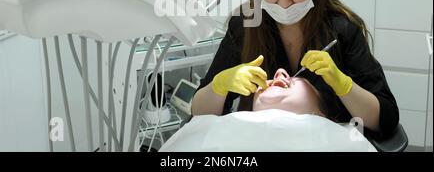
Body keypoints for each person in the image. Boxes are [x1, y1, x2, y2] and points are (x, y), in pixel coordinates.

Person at [192, 0, 399, 138]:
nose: (284, 3)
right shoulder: (246, 25)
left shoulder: (343, 31)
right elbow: (199, 113)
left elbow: (386, 120)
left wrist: (343, 84)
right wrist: (220, 86)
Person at [160, 68, 375, 152]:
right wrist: (218, 85)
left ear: (320, 114)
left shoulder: (340, 138)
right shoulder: (223, 124)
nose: (280, 73)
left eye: (296, 79)